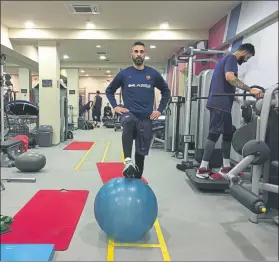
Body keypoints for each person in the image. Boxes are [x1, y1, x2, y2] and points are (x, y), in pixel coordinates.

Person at [196, 43, 264, 180]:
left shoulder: (225, 60)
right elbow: (230, 77)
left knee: (227, 134)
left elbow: (223, 82)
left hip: (223, 103)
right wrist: (250, 89)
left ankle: (225, 167)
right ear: (244, 52)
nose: (246, 60)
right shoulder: (231, 59)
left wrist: (234, 97)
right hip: (220, 104)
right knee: (214, 134)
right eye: (248, 57)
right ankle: (202, 168)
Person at [106, 41, 170, 179]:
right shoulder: (124, 74)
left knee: (140, 156)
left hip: (146, 118)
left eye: (141, 52)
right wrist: (115, 106)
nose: (139, 54)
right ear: (131, 54)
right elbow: (109, 90)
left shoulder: (153, 74)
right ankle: (128, 161)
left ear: (145, 54)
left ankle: (137, 179)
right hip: (129, 114)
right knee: (128, 122)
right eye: (136, 52)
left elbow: (166, 91)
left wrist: (159, 110)